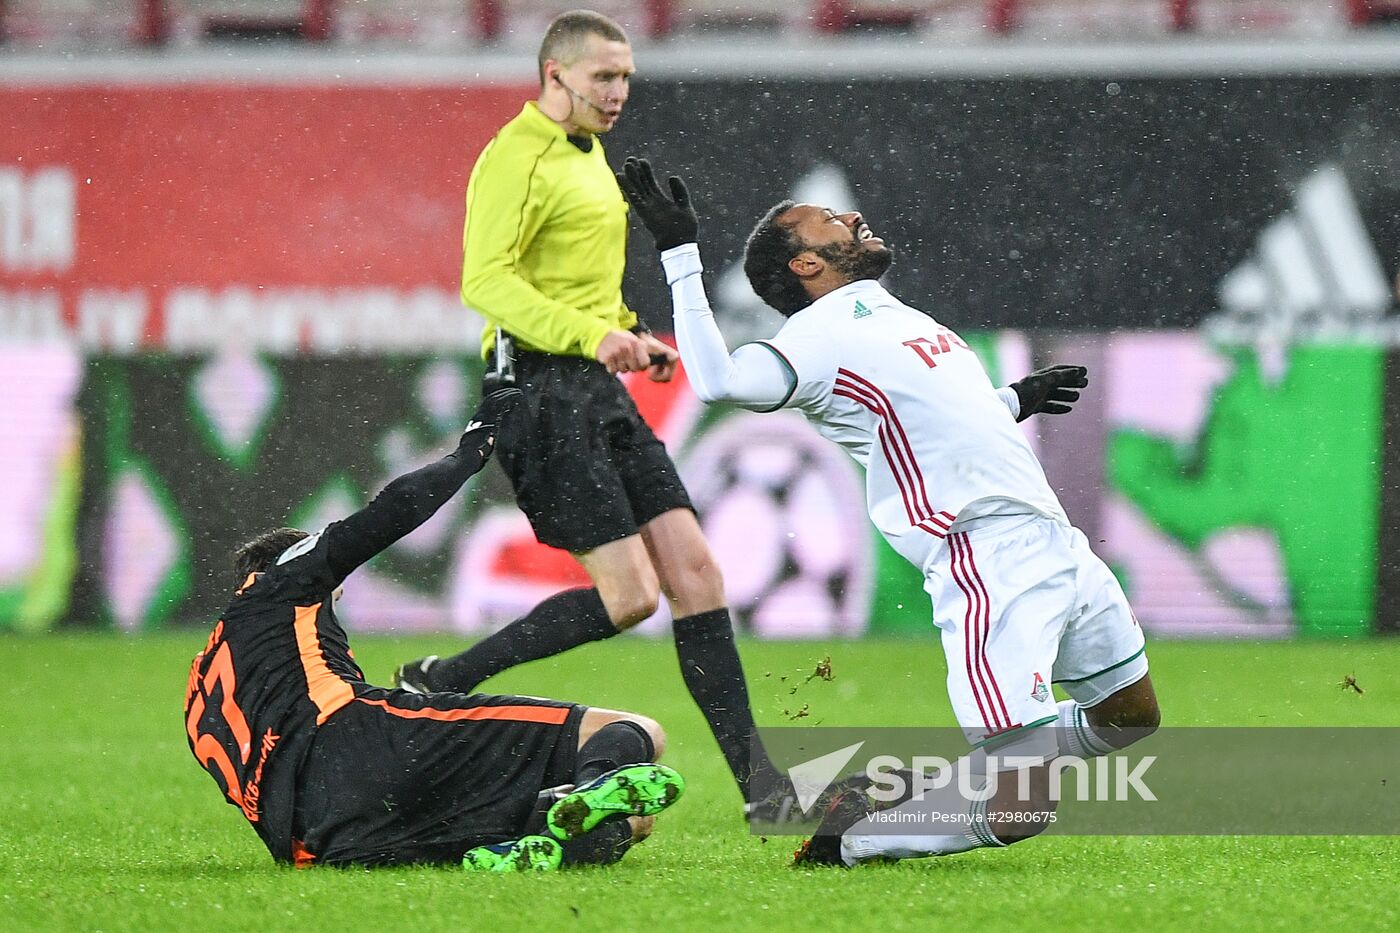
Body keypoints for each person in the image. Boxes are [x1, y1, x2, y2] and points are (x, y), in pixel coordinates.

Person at [616, 157, 1161, 867]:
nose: (850, 217)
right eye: (828, 221)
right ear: (808, 262)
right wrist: (679, 255)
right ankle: (848, 842)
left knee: (1130, 718)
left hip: (1056, 541)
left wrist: (1015, 400)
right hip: (988, 558)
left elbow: (936, 419)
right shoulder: (815, 338)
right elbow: (719, 379)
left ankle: (932, 785)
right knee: (1022, 806)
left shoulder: (895, 315)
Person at [393, 10, 783, 813]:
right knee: (630, 597)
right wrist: (587, 333)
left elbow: (579, 289)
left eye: (627, 78)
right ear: (555, 75)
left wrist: (632, 336)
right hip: (536, 392)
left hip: (593, 386)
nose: (618, 92)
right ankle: (448, 678)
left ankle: (765, 792)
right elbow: (486, 283)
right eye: (604, 77)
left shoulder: (592, 157)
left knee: (698, 574)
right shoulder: (513, 158)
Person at [184, 387, 685, 871]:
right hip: (361, 743)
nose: (338, 596)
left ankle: (529, 840)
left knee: (631, 820)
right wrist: (470, 452)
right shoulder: (282, 579)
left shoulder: (200, 686)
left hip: (319, 839)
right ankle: (765, 800)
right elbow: (392, 511)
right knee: (643, 732)